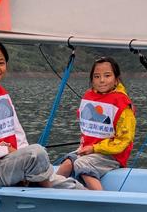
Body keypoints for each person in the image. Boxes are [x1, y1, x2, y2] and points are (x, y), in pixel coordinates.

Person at [0, 38, 82, 189]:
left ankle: (87, 198)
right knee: (37, 153)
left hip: (7, 165)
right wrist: (7, 150)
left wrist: (22, 158)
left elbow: (17, 133)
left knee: (71, 185)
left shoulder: (0, 93)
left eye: (1, 63)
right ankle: (46, 189)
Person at [56, 57, 136, 190]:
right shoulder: (89, 96)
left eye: (107, 75)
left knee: (82, 164)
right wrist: (89, 148)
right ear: (92, 79)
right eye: (97, 76)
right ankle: (49, 192)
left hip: (111, 156)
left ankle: (101, 198)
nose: (102, 80)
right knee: (67, 163)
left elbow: (124, 140)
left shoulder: (122, 104)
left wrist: (94, 148)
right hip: (88, 150)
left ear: (116, 78)